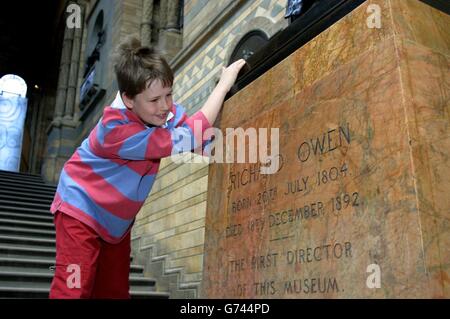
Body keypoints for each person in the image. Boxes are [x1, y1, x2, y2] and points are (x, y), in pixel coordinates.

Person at [49, 35, 246, 299]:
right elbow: (191, 135)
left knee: (114, 293)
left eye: (169, 94)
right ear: (129, 100)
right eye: (154, 100)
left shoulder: (165, 114)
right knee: (73, 287)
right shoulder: (114, 129)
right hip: (80, 210)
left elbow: (202, 143)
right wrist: (222, 85)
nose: (165, 106)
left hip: (115, 223)